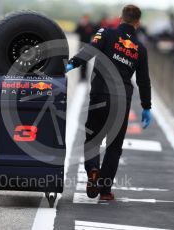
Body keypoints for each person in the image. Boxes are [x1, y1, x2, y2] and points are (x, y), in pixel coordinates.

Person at [66, 5, 152, 201]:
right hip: (122, 99)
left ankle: (93, 169)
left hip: (100, 95)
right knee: (114, 146)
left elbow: (89, 49)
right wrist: (147, 106)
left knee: (93, 139)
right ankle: (105, 191)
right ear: (137, 23)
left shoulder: (105, 32)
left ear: (121, 18)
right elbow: (143, 81)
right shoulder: (141, 48)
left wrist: (73, 63)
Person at [75, 15, 95, 81]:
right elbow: (75, 32)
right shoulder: (80, 25)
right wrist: (81, 26)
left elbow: (94, 32)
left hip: (88, 45)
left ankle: (85, 76)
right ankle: (81, 76)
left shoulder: (90, 25)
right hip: (81, 45)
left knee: (86, 62)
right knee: (80, 61)